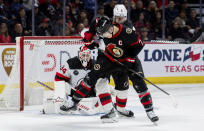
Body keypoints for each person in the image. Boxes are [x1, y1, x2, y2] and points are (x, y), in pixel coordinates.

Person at [59, 16, 145, 123]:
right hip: (103, 61)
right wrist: (91, 43)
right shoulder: (95, 30)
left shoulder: (114, 30)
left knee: (122, 86)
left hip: (114, 60)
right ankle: (108, 111)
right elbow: (90, 41)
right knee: (100, 83)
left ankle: (120, 109)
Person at [112, 4, 158, 123]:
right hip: (117, 63)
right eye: (117, 17)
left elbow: (136, 47)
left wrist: (129, 59)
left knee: (140, 84)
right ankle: (120, 109)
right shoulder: (109, 27)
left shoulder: (128, 28)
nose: (119, 20)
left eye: (121, 17)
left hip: (131, 61)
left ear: (125, 17)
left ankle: (149, 111)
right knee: (121, 88)